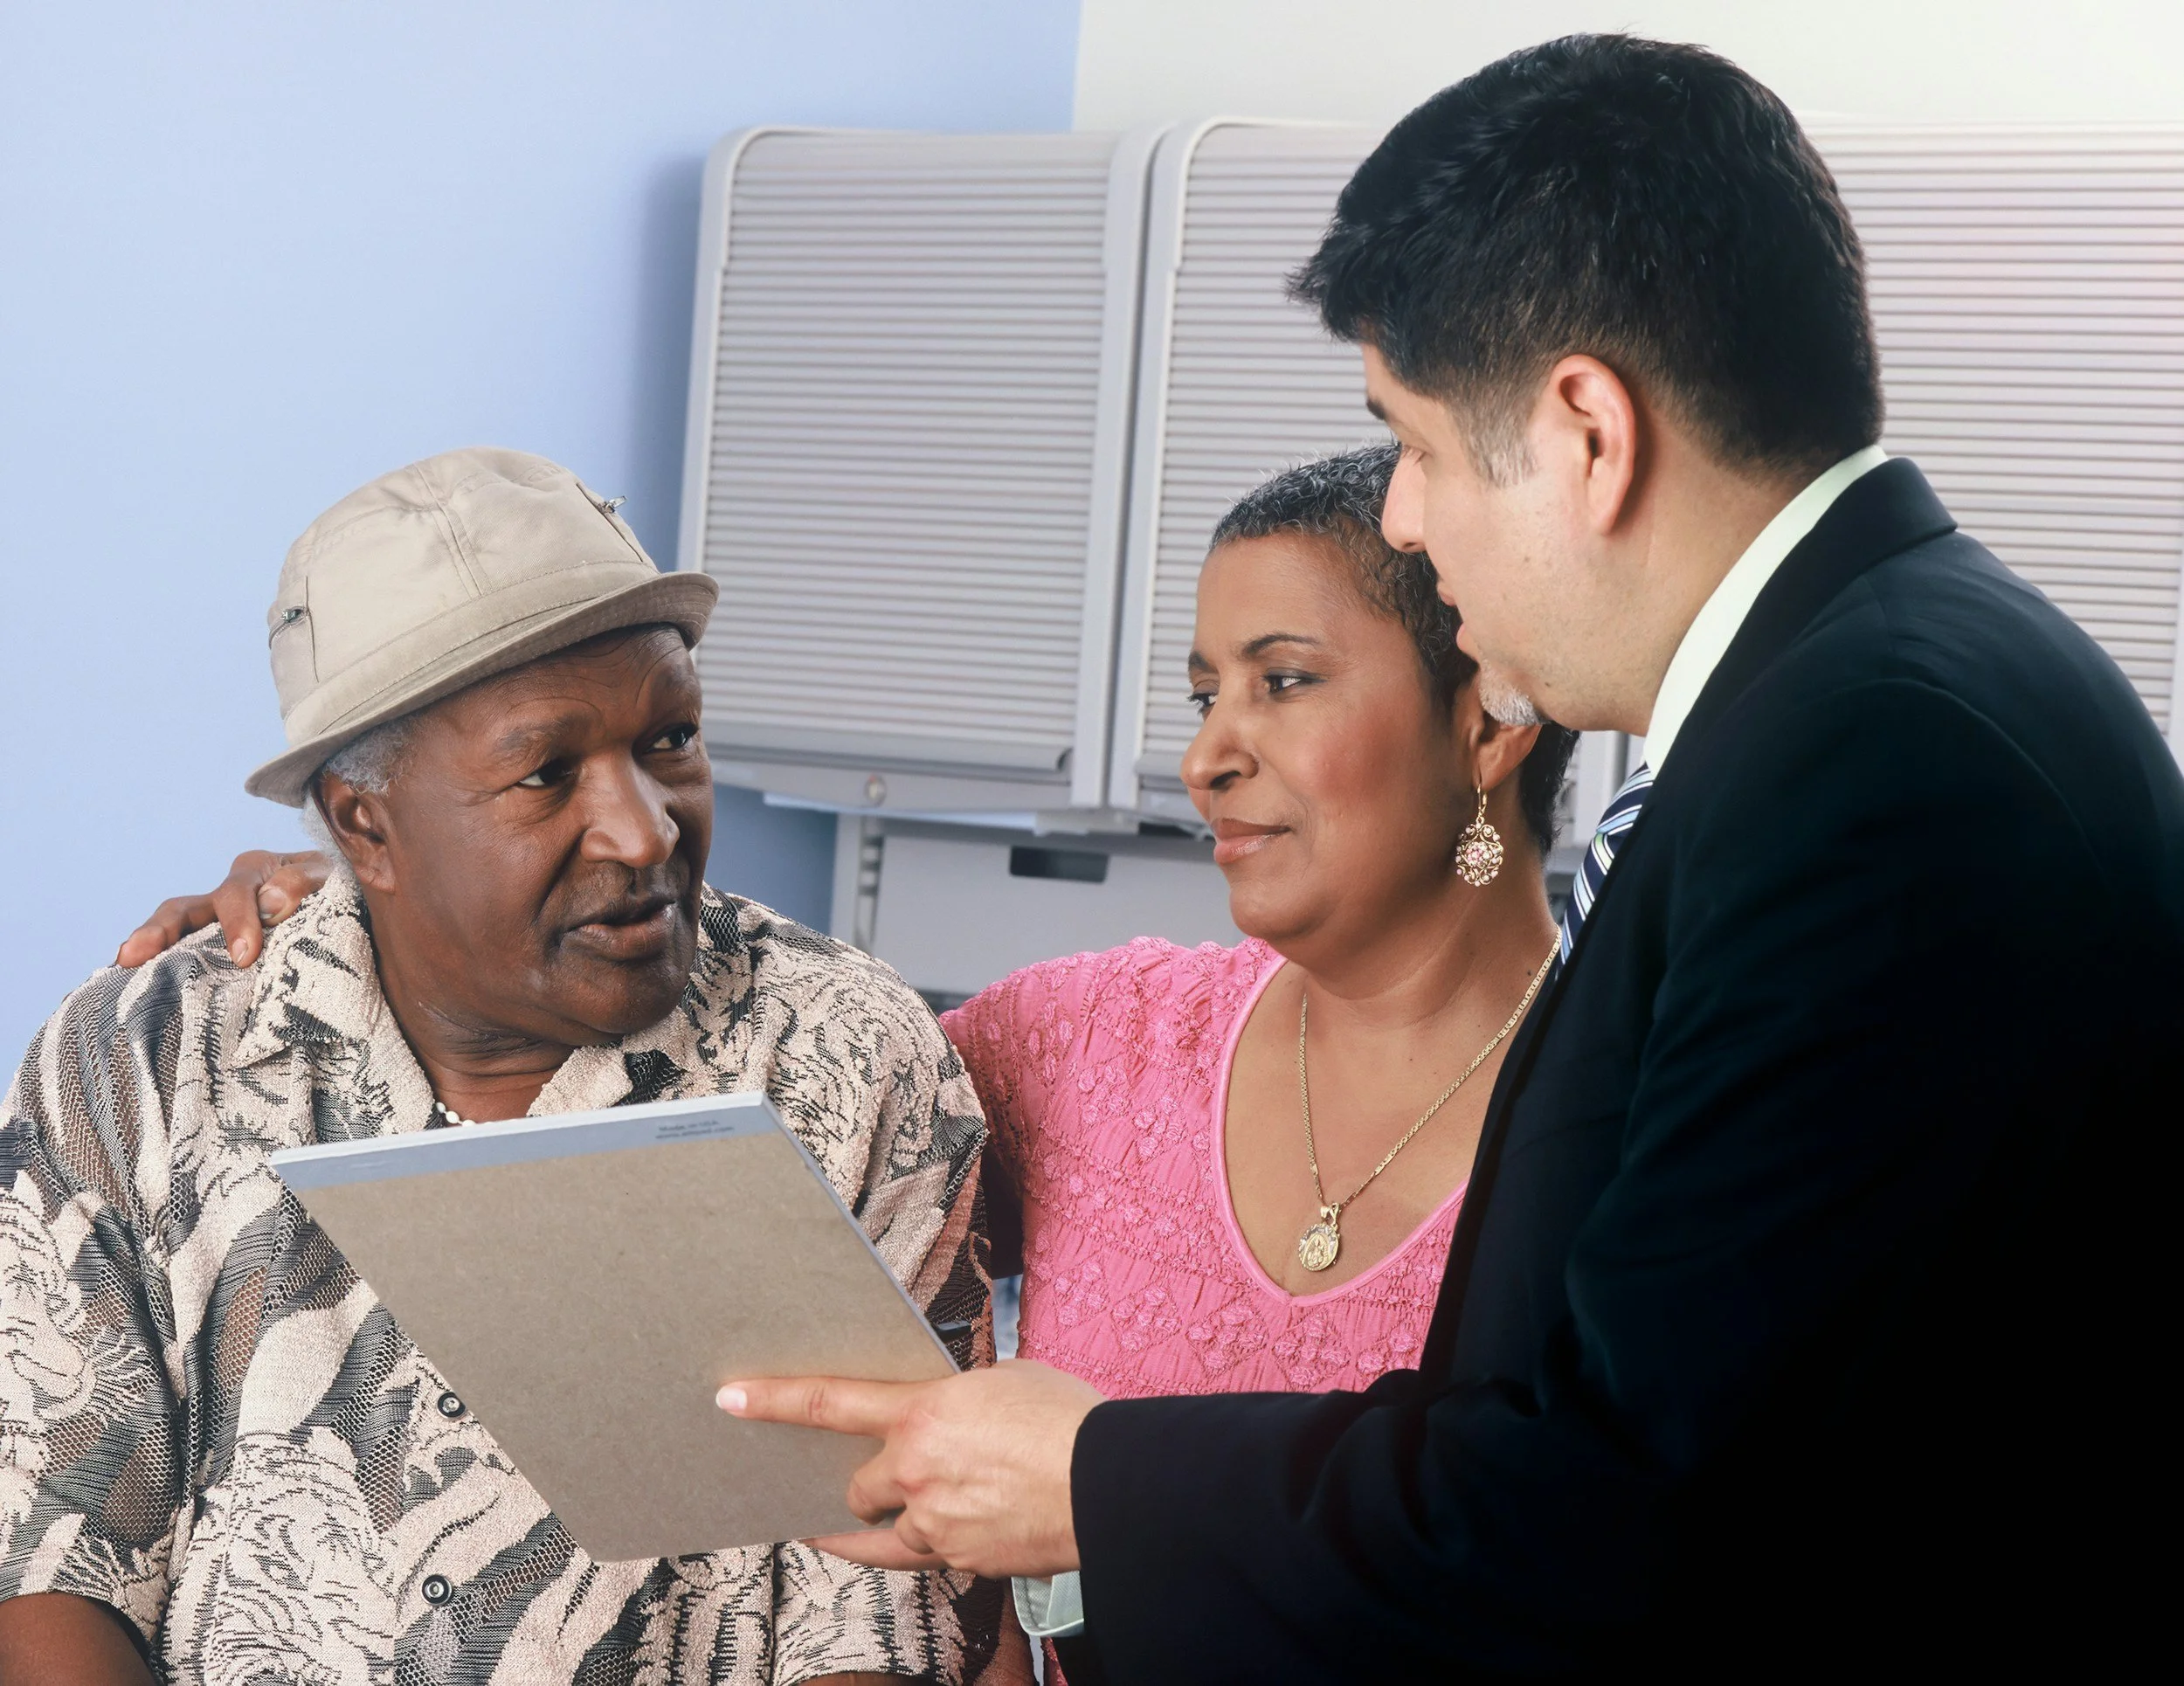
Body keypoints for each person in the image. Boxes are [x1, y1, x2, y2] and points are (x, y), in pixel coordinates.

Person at [708, 34, 2184, 1679]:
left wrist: (1095, 1475)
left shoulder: (1873, 773)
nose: (1403, 516)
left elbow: (1624, 1501)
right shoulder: (1898, 686)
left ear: (1584, 433)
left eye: (1407, 440)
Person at [126, 444, 1582, 1681]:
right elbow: (766, 1103)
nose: (1209, 754)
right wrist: (362, 902)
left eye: (1284, 681)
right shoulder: (1093, 1046)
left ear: (1491, 715)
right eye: (1206, 692)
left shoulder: (1645, 1117)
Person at [0, 448, 1013, 1686]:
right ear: (365, 821)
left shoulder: (842, 1056)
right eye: (547, 774)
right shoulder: (143, 1057)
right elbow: (48, 1555)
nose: (646, 829)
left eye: (672, 738)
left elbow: (886, 1612)